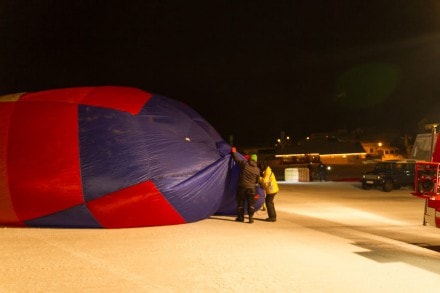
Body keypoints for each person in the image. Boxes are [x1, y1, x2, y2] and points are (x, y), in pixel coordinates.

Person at [231, 147, 260, 223]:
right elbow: (257, 181)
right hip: (252, 189)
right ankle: (251, 218)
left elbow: (237, 160)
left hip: (242, 187)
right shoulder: (257, 170)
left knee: (240, 203)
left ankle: (241, 218)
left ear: (250, 159)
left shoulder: (245, 164)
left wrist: (234, 152)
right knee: (251, 204)